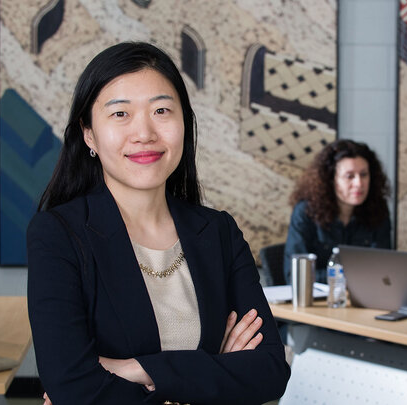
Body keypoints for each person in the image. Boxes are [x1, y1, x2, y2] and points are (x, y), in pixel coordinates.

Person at [27, 42, 290, 404]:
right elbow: (71, 386)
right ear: (89, 133)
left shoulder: (219, 232)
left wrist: (139, 368)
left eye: (162, 110)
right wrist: (209, 371)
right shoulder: (58, 234)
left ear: (185, 122)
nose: (145, 133)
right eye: (120, 114)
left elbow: (270, 371)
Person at [283, 139, 391, 284]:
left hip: (362, 301)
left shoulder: (378, 209)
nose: (359, 183)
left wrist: (337, 276)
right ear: (331, 179)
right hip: (314, 302)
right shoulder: (306, 211)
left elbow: (383, 269)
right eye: (350, 176)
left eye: (364, 174)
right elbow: (295, 274)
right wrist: (349, 276)